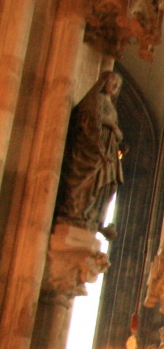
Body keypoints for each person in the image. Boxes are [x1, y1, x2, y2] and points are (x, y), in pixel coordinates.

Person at [55, 71, 125, 230]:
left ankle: (93, 218)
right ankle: (76, 213)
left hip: (109, 149)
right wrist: (110, 127)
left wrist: (116, 132)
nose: (114, 87)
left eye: (117, 85)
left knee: (111, 184)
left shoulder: (111, 106)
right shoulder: (96, 99)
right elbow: (91, 118)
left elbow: (116, 130)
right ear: (104, 81)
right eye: (112, 82)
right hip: (93, 147)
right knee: (89, 180)